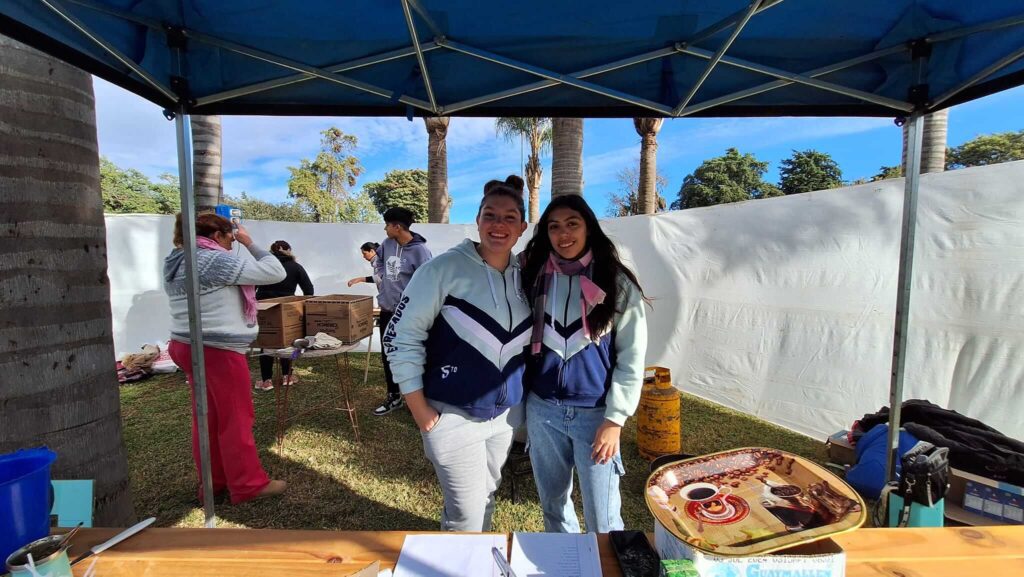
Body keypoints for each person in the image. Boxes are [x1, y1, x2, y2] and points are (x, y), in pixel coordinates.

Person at [383, 176, 531, 531]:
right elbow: (400, 337)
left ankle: (474, 558)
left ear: (522, 227)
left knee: (486, 497)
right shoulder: (442, 269)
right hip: (451, 415)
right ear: (477, 221)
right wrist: (420, 410)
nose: (499, 225)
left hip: (506, 417)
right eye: (490, 215)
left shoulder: (526, 275)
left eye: (510, 217)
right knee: (466, 515)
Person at [519, 194, 648, 533]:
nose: (563, 235)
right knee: (554, 508)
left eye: (572, 224)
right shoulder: (531, 278)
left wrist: (615, 420)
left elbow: (632, 359)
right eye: (554, 227)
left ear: (588, 228)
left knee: (603, 518)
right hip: (542, 409)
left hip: (595, 415)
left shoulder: (616, 282)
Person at [163, 213, 288, 503]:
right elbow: (275, 272)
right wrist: (251, 242)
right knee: (235, 419)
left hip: (187, 344)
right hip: (216, 349)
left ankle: (214, 482)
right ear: (216, 236)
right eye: (230, 237)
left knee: (206, 418)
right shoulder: (212, 259)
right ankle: (247, 485)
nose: (233, 242)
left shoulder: (178, 259)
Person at [372, 207, 432, 416]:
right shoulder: (387, 244)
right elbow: (377, 261)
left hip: (410, 315)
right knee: (388, 354)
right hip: (387, 310)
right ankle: (394, 396)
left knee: (414, 355)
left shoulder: (420, 251)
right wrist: (380, 276)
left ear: (397, 227)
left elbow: (428, 282)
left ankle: (420, 400)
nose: (385, 228)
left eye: (388, 224)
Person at [254, 240, 315, 391]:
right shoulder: (295, 266)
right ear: (289, 250)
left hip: (263, 307)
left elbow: (252, 286)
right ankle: (287, 376)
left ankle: (266, 380)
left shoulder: (264, 265)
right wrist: (302, 306)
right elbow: (309, 289)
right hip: (286, 308)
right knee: (288, 343)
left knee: (265, 343)